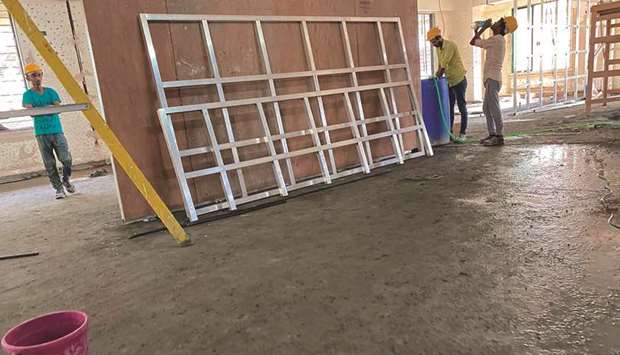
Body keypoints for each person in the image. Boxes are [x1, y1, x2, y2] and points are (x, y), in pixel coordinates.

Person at [22, 63, 76, 199]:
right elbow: (31, 112)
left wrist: (42, 109)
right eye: (34, 75)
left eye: (39, 74)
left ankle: (66, 180)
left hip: (57, 130)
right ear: (28, 78)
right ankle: (58, 188)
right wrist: (47, 108)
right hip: (41, 133)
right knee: (50, 163)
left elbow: (57, 107)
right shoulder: (27, 95)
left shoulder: (51, 92)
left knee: (66, 159)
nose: (37, 78)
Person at [470, 16, 518, 146]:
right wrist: (477, 31)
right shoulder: (497, 39)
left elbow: (473, 42)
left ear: (502, 27)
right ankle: (492, 134)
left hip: (493, 78)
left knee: (494, 108)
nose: (494, 23)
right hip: (491, 79)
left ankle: (499, 136)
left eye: (498, 22)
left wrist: (482, 28)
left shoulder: (497, 39)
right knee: (486, 108)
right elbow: (477, 41)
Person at [427, 27, 469, 143]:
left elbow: (443, 66)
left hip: (459, 80)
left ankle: (462, 133)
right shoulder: (438, 49)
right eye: (431, 43)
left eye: (434, 42)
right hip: (449, 82)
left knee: (462, 107)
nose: (433, 44)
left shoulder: (450, 46)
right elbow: (440, 65)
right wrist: (436, 75)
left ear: (439, 38)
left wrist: (436, 77)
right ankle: (449, 133)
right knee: (449, 108)